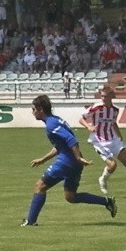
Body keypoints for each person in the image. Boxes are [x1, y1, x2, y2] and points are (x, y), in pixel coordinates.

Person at [22, 95, 117, 226]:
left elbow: (71, 140)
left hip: (67, 162)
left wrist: (78, 157)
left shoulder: (51, 124)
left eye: (33, 109)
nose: (32, 112)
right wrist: (43, 159)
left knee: (40, 186)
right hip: (73, 163)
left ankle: (31, 221)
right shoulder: (56, 120)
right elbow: (61, 146)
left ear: (40, 109)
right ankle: (107, 202)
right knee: (71, 197)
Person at [79, 86, 126, 198]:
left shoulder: (115, 110)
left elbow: (113, 123)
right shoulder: (96, 107)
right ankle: (103, 179)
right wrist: (88, 126)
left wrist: (119, 136)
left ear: (111, 96)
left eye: (105, 96)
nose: (103, 98)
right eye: (102, 96)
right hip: (99, 141)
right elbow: (81, 118)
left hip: (113, 139)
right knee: (112, 165)